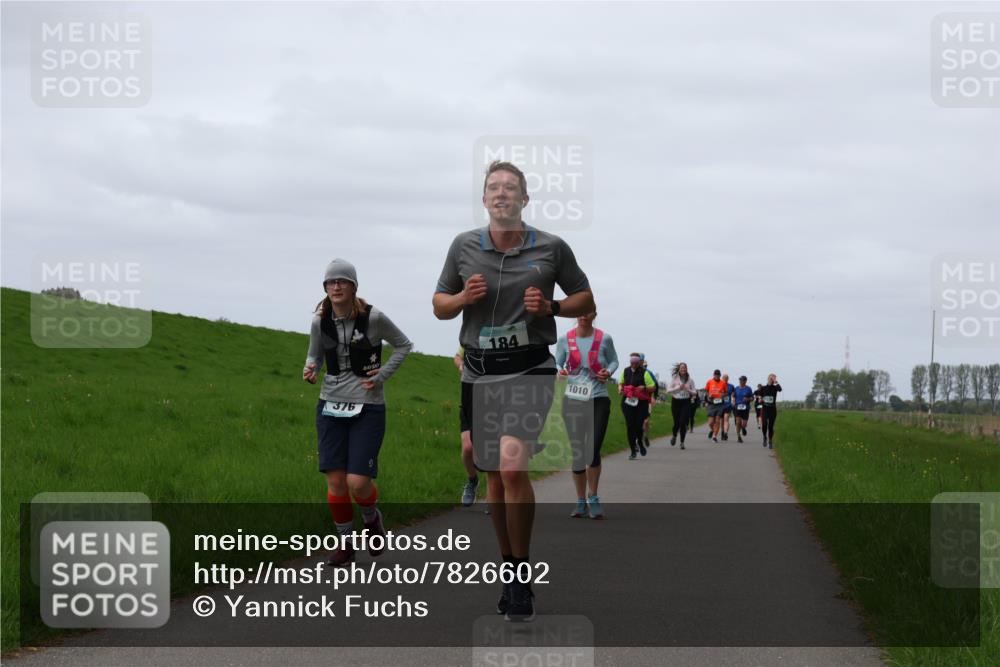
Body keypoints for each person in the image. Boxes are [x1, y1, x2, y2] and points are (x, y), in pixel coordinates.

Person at [433, 160, 594, 622]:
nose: (502, 194)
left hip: (529, 370)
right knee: (494, 478)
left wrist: (553, 305)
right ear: (484, 199)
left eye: (511, 188)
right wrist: (463, 298)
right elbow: (440, 305)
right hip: (479, 373)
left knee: (512, 467)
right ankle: (511, 567)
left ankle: (522, 575)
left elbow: (587, 299)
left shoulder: (551, 247)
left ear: (525, 200)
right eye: (493, 188)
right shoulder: (463, 247)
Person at [303, 259, 413, 567]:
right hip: (330, 404)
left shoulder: (373, 318)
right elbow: (315, 353)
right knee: (336, 482)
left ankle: (371, 518)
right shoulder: (319, 320)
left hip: (368, 406)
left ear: (353, 287)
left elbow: (403, 345)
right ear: (325, 288)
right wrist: (310, 369)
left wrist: (380, 376)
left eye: (342, 281)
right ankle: (345, 544)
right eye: (331, 282)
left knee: (358, 483)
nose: (336, 286)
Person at [555, 311, 619, 519]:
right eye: (579, 312)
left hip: (598, 398)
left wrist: (607, 372)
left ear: (594, 314)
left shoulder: (604, 338)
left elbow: (614, 361)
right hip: (573, 399)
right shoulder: (565, 339)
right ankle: (580, 500)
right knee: (577, 451)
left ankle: (593, 496)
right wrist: (560, 371)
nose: (583, 316)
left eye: (587, 312)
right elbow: (558, 362)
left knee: (592, 448)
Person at [455, 346, 480, 506]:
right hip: (470, 401)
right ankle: (472, 481)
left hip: (495, 398)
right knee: (468, 448)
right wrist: (461, 365)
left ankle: (496, 496)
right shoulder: (472, 333)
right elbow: (457, 356)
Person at [619, 353, 657, 459]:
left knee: (638, 426)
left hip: (641, 404)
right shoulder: (625, 371)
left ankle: (640, 442)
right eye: (632, 363)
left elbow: (653, 387)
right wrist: (620, 389)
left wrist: (644, 388)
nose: (634, 365)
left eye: (636, 363)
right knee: (630, 426)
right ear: (630, 362)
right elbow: (621, 383)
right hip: (627, 402)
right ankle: (633, 451)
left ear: (639, 363)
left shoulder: (645, 373)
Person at [665, 362, 697, 449]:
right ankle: (674, 435)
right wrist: (678, 388)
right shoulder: (674, 379)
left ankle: (682, 442)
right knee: (676, 423)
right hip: (676, 401)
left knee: (683, 422)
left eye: (685, 368)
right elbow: (668, 390)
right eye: (682, 368)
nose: (683, 369)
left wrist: (688, 389)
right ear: (679, 369)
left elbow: (695, 392)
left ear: (687, 369)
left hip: (686, 402)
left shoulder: (690, 380)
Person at [756, 374, 783, 449]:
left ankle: (770, 440)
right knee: (764, 425)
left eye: (773, 379)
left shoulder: (775, 388)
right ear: (768, 379)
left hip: (772, 410)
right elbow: (759, 396)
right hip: (765, 409)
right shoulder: (763, 388)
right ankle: (765, 437)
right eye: (771, 378)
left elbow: (780, 389)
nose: (772, 380)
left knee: (770, 426)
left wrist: (776, 382)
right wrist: (760, 399)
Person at [704, 369, 728, 443]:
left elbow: (726, 393)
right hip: (711, 403)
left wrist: (722, 395)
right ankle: (712, 430)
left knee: (717, 420)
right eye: (715, 375)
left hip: (720, 404)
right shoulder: (709, 382)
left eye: (718, 375)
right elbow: (706, 391)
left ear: (720, 375)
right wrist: (709, 396)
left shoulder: (723, 383)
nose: (717, 376)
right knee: (711, 422)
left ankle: (714, 436)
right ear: (713, 375)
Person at [641, 356, 658, 450]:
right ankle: (638, 439)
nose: (644, 367)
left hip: (647, 400)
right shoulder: (633, 372)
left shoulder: (649, 373)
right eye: (643, 365)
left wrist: (654, 398)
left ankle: (646, 436)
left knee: (646, 421)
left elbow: (656, 385)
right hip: (637, 401)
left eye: (645, 365)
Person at [732, 376, 755, 444]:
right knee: (738, 422)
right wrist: (733, 402)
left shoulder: (748, 389)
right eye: (740, 380)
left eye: (743, 380)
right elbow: (733, 396)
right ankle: (739, 436)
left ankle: (743, 428)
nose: (741, 382)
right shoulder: (736, 388)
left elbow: (752, 398)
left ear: (745, 381)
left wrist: (748, 399)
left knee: (744, 424)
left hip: (746, 407)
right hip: (737, 407)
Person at [720, 373, 735, 441]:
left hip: (728, 405)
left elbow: (733, 394)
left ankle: (725, 433)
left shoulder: (731, 386)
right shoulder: (719, 385)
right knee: (722, 421)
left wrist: (733, 399)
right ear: (722, 379)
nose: (725, 380)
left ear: (728, 379)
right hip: (720, 405)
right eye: (724, 378)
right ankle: (723, 432)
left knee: (726, 419)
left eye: (726, 379)